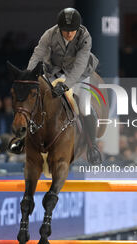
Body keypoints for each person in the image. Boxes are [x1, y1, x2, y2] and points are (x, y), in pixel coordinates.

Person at [9, 7, 101, 164]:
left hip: (80, 75)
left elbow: (78, 67)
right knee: (37, 100)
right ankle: (23, 139)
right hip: (55, 71)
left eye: (72, 30)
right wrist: (29, 73)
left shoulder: (85, 37)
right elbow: (38, 54)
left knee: (85, 107)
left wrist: (66, 86)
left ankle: (93, 146)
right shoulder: (49, 34)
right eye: (66, 30)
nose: (69, 34)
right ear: (59, 28)